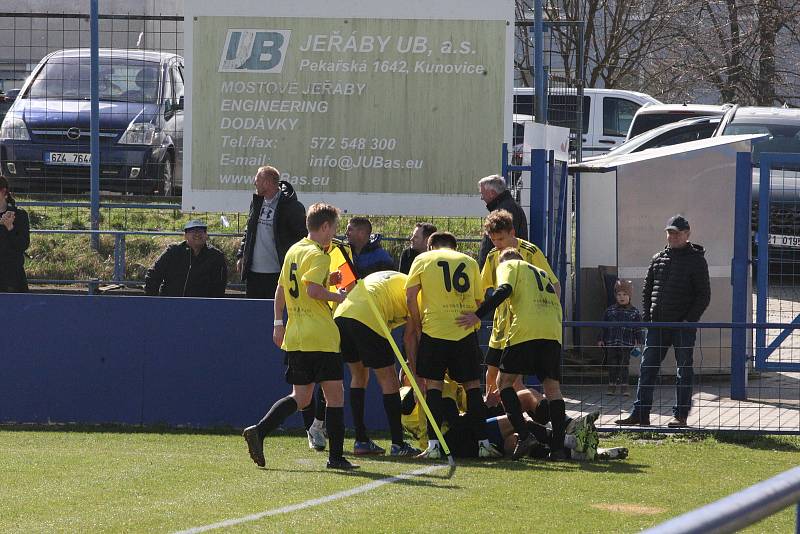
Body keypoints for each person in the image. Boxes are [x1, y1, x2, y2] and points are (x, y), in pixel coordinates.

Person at [242, 203, 359, 470]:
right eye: (334, 228)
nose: (334, 234)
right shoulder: (319, 254)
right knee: (335, 395)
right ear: (326, 226)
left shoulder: (295, 250)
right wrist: (337, 294)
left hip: (296, 335)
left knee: (301, 397)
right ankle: (336, 457)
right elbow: (312, 290)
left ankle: (259, 431)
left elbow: (282, 288)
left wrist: (277, 323)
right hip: (320, 334)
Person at [458, 249, 567, 460]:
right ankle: (558, 448)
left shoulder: (508, 266)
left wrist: (477, 315)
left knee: (504, 382)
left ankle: (525, 435)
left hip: (526, 328)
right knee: (553, 389)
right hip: (553, 330)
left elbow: (504, 289)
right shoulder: (540, 272)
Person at [405, 231, 501, 459]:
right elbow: (479, 301)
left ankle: (434, 446)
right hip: (464, 332)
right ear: (454, 247)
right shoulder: (469, 262)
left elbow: (410, 296)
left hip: (435, 329)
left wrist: (419, 326)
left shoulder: (423, 260)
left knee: (434, 387)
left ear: (431, 247)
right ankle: (483, 443)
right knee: (472, 387)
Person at [616, 215, 710, 428]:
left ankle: (681, 416)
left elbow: (703, 295)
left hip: (682, 326)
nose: (672, 236)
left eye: (676, 232)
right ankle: (640, 414)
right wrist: (648, 319)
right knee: (647, 368)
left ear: (687, 234)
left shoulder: (696, 260)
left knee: (683, 369)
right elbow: (647, 289)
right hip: (657, 325)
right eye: (670, 232)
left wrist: (688, 320)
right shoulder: (658, 258)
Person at [333, 270, 421, 456]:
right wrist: (416, 376)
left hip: (342, 314)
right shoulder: (419, 293)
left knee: (359, 375)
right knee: (388, 378)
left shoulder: (398, 279)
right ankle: (398, 443)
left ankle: (361, 440)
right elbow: (409, 338)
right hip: (368, 315)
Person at [480, 209, 560, 398]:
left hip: (522, 325)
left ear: (512, 233)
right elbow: (481, 288)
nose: (497, 244)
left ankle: (529, 413)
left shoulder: (531, 252)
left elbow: (554, 284)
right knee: (492, 374)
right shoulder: (493, 256)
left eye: (501, 239)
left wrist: (553, 313)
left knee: (514, 380)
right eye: (493, 240)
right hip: (500, 324)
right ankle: (496, 417)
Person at [236, 166, 307, 299]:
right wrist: (241, 254)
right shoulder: (256, 201)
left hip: (278, 273)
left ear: (267, 183)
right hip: (253, 273)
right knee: (253, 313)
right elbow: (249, 229)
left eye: (257, 180)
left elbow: (302, 238)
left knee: (275, 314)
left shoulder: (292, 206)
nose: (254, 182)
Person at [144, 220, 227, 297]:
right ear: (185, 235)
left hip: (202, 307)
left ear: (206, 235)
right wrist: (154, 300)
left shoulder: (216, 256)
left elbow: (219, 286)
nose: (197, 234)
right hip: (171, 305)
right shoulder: (172, 251)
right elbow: (153, 274)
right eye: (193, 231)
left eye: (201, 231)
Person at [597, 279, 644, 396]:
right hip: (611, 343)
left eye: (625, 294)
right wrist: (600, 339)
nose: (621, 297)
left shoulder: (634, 312)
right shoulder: (609, 311)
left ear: (630, 296)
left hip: (626, 344)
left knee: (624, 364)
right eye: (619, 294)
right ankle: (611, 385)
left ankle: (624, 386)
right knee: (612, 364)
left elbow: (638, 328)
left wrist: (639, 340)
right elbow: (603, 326)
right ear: (615, 296)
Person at [477, 175, 528, 269]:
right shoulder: (510, 206)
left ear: (492, 193)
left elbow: (504, 241)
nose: (481, 197)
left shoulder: (504, 210)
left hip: (503, 266)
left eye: (483, 193)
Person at [0, 175, 30, 293]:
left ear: (3, 191)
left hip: (12, 276)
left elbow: (23, 245)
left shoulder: (20, 215)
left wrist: (10, 227)